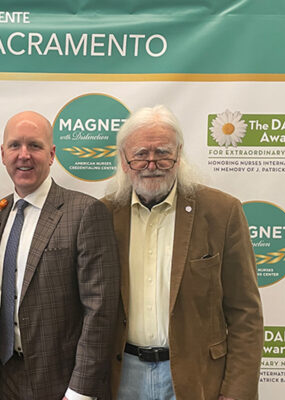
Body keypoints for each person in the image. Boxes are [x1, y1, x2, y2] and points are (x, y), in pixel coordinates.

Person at [102, 105, 264, 400]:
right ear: (124, 161)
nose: (152, 163)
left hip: (197, 378)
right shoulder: (102, 215)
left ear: (179, 156)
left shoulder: (222, 212)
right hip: (121, 377)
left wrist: (237, 392)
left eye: (163, 152)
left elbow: (245, 314)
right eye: (140, 154)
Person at [0, 111, 119, 400]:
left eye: (34, 146)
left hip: (60, 382)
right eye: (14, 146)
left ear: (51, 154)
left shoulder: (84, 212)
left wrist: (79, 391)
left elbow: (100, 311)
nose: (24, 155)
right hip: (5, 375)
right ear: (2, 154)